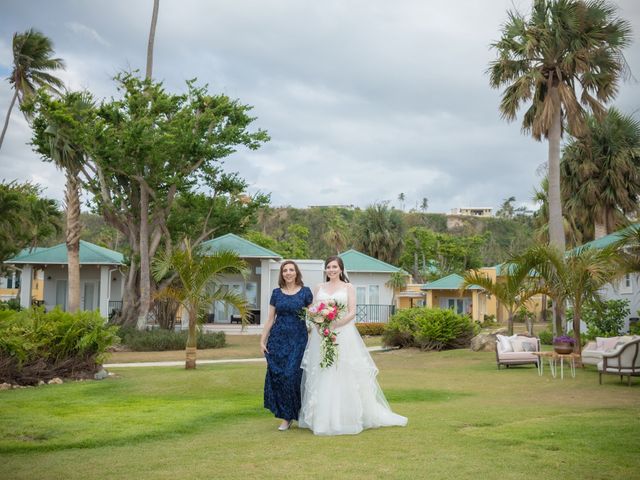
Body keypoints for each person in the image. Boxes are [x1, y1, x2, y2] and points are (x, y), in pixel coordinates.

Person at [298, 256, 407, 435]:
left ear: (341, 269)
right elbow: (314, 310)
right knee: (324, 371)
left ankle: (347, 417)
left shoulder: (348, 287)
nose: (331, 270)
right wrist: (320, 325)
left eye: (335, 267)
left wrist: (335, 325)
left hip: (343, 334)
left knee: (343, 371)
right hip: (322, 335)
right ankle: (323, 419)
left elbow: (352, 312)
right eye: (328, 267)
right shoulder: (319, 288)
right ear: (325, 270)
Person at [260, 260, 313, 431]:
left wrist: (324, 331)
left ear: (296, 272)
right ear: (282, 274)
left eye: (291, 270)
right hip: (278, 340)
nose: (288, 273)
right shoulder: (276, 293)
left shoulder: (306, 292)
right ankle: (286, 417)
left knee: (292, 376)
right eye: (285, 270)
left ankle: (297, 413)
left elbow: (314, 316)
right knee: (280, 377)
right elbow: (270, 319)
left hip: (298, 340)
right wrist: (262, 340)